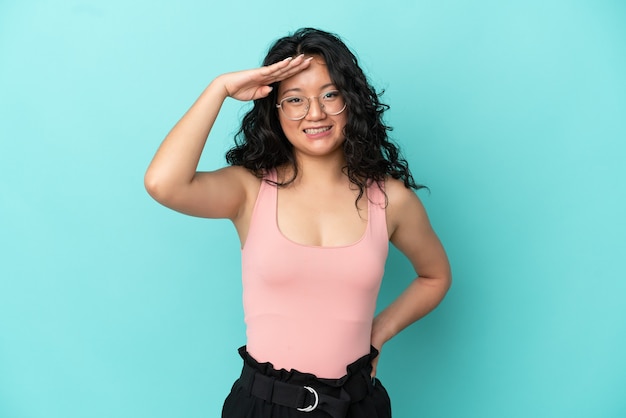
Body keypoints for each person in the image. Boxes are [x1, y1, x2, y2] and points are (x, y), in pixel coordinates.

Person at [145, 27, 451, 418]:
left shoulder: (391, 200)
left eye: (329, 94)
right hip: (262, 405)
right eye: (294, 99)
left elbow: (435, 276)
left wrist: (378, 333)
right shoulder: (248, 189)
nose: (315, 113)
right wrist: (218, 89)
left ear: (350, 100)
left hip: (358, 405)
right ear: (274, 108)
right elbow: (162, 183)